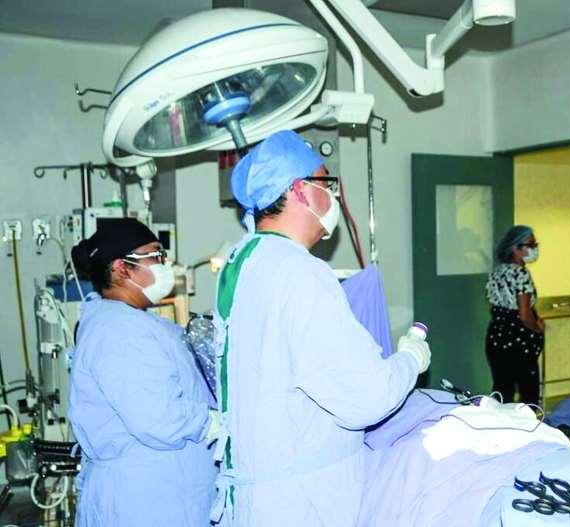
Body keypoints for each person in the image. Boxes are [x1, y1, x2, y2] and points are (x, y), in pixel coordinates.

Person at [211, 130, 431, 526]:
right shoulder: (300, 273)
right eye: (326, 181)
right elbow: (369, 397)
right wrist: (410, 359)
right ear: (299, 189)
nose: (335, 193)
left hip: (258, 496)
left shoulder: (242, 260)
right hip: (299, 503)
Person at [68, 219, 218, 526]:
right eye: (156, 255)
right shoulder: (119, 331)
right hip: (144, 503)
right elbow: (159, 419)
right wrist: (215, 422)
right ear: (122, 269)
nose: (166, 264)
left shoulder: (131, 323)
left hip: (158, 495)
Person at [484, 225, 545, 405]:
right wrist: (538, 327)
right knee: (529, 394)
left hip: (496, 338)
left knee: (502, 390)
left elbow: (495, 305)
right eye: (530, 245)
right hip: (519, 341)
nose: (534, 249)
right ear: (515, 248)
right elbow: (524, 314)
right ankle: (530, 422)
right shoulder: (521, 274)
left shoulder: (496, 272)